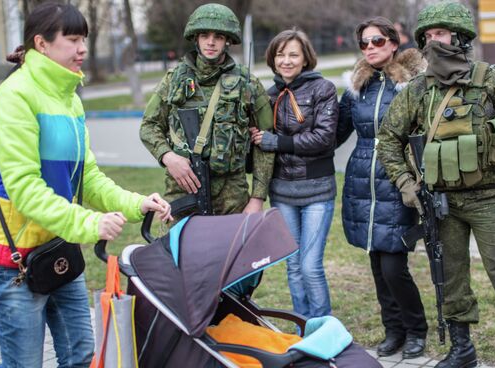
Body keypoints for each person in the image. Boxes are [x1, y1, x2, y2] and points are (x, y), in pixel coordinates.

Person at [0, 3, 172, 367]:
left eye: (84, 39)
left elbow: (87, 178)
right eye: (73, 40)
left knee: (82, 357)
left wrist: (137, 203)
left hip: (57, 249)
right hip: (14, 262)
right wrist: (89, 224)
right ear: (42, 43)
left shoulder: (69, 99)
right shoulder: (14, 98)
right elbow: (24, 188)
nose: (82, 49)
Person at [377, 2, 495, 368]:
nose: (432, 41)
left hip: (490, 198)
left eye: (439, 34)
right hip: (441, 203)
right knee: (451, 280)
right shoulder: (418, 90)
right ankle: (462, 349)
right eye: (427, 36)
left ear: (459, 37)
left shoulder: (493, 81)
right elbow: (388, 138)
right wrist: (407, 184)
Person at [336, 16, 429, 359]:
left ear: (393, 43)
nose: (370, 48)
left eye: (377, 41)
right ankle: (394, 331)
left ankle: (416, 330)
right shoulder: (356, 87)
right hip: (363, 181)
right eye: (364, 43)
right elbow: (335, 133)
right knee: (377, 265)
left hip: (398, 182)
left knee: (394, 266)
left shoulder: (412, 84)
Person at [140, 3, 274, 217]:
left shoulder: (247, 83)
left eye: (218, 37)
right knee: (182, 249)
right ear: (196, 38)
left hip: (232, 191)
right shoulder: (174, 79)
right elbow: (149, 125)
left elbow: (266, 140)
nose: (211, 42)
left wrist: (257, 197)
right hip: (184, 186)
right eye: (204, 35)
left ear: (228, 40)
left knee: (230, 250)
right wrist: (168, 157)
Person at [250, 29, 338, 319]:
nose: (286, 61)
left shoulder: (323, 89)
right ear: (272, 59)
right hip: (283, 192)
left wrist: (278, 141)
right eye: (280, 54)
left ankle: (322, 328)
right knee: (293, 265)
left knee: (311, 266)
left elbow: (324, 139)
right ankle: (303, 327)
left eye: (293, 54)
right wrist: (255, 136)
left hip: (317, 191)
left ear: (305, 59)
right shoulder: (269, 95)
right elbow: (261, 142)